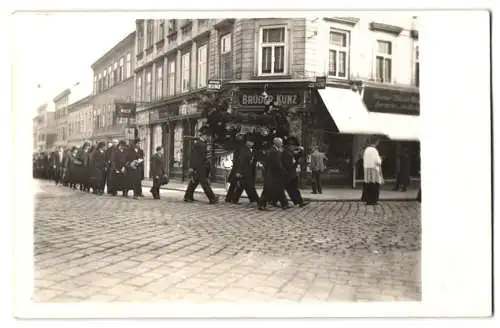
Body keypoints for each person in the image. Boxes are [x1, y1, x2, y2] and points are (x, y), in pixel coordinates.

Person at [183, 132, 219, 204]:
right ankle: (212, 198)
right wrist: (192, 167)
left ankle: (188, 197)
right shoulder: (200, 144)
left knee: (194, 183)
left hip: (199, 167)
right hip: (200, 167)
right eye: (206, 136)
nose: (207, 137)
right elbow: (195, 157)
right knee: (205, 183)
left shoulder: (200, 143)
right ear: (203, 136)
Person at [258, 137, 290, 211]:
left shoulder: (275, 150)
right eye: (281, 142)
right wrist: (282, 170)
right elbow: (276, 163)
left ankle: (284, 204)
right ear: (277, 143)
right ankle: (262, 205)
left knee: (280, 188)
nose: (282, 144)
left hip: (275, 173)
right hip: (271, 173)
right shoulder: (272, 151)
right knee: (267, 189)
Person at [231, 135, 260, 205]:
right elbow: (241, 161)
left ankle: (236, 199)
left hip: (247, 171)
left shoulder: (249, 150)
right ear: (247, 142)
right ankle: (255, 200)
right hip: (244, 171)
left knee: (244, 186)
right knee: (247, 185)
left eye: (253, 143)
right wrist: (239, 171)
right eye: (251, 142)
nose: (253, 144)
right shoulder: (244, 150)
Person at [282, 137, 309, 207]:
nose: (294, 147)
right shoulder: (286, 152)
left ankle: (299, 201)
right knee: (284, 190)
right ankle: (282, 202)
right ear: (289, 146)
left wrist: (301, 151)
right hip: (287, 174)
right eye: (293, 146)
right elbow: (288, 164)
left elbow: (297, 156)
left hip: (292, 174)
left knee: (293, 189)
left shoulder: (289, 152)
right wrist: (295, 162)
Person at [361, 137, 384, 205]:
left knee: (368, 184)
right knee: (374, 185)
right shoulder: (374, 150)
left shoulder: (366, 150)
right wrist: (381, 159)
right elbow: (377, 161)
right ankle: (373, 200)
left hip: (367, 168)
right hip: (374, 169)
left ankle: (367, 199)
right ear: (376, 142)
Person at [225, 133, 244, 203]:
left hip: (236, 167)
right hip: (238, 167)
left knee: (233, 183)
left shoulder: (237, 145)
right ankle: (233, 198)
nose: (242, 137)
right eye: (241, 136)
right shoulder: (240, 145)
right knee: (238, 183)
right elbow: (239, 158)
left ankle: (229, 198)